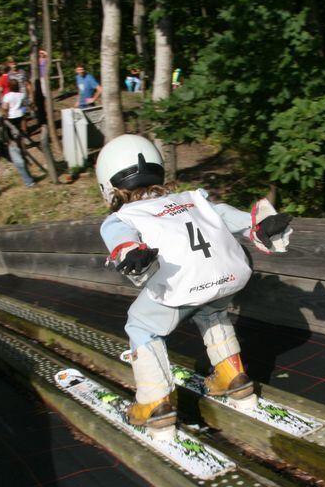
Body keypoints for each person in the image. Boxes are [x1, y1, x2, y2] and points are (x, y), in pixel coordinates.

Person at [95, 135, 293, 434]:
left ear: (107, 187)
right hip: (226, 276)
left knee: (141, 325)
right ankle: (233, 376)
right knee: (212, 312)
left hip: (183, 283)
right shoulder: (191, 198)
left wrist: (129, 250)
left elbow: (119, 234)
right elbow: (223, 213)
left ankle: (154, 404)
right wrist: (254, 224)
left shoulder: (124, 215)